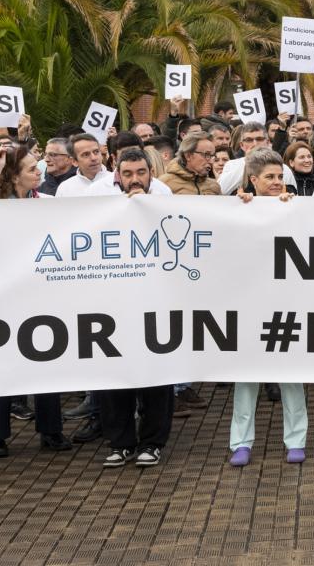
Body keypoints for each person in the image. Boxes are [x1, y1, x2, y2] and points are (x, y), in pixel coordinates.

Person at [0, 142, 72, 456]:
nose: (39, 173)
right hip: (1, 299)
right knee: (1, 366)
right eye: (32, 169)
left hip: (41, 296)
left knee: (47, 363)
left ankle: (51, 431)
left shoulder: (46, 202)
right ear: (14, 177)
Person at [229, 149, 308, 465]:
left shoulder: (298, 208)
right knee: (246, 376)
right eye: (270, 177)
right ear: (253, 180)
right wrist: (240, 210)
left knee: (291, 375)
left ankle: (296, 440)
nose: (276, 182)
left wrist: (295, 213)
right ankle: (241, 442)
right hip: (248, 304)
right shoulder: (237, 209)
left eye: (280, 177)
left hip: (286, 302)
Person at [99, 149, 177, 467]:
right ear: (118, 174)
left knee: (157, 376)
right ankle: (120, 443)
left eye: (141, 173)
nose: (135, 179)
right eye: (128, 174)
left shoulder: (166, 198)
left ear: (150, 172)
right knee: (115, 376)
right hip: (112, 303)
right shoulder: (98, 200)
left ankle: (153, 442)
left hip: (157, 300)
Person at [161, 130, 223, 195]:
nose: (211, 161)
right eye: (207, 155)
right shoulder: (165, 183)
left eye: (213, 156)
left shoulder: (214, 186)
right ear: (188, 156)